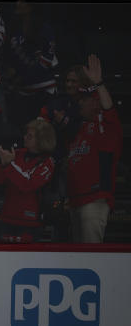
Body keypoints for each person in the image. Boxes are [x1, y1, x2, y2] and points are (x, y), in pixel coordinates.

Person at [66, 55, 121, 243]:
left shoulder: (105, 127)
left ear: (95, 102)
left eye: (86, 99)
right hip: (75, 200)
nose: (80, 102)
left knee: (90, 255)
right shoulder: (79, 128)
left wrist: (99, 84)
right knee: (78, 259)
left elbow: (109, 109)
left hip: (94, 200)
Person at [0, 118, 56, 243]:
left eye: (30, 136)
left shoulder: (48, 162)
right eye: (26, 134)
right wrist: (3, 164)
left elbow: (28, 184)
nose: (25, 137)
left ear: (41, 139)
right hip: (7, 217)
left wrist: (9, 165)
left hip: (29, 222)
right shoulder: (16, 154)